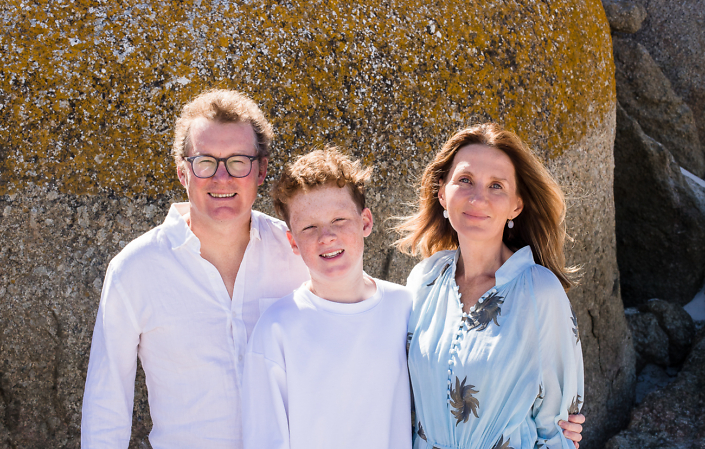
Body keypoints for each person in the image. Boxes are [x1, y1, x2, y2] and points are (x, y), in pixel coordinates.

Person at [81, 89, 309, 448]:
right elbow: (106, 406)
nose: (222, 177)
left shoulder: (300, 253)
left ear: (261, 170)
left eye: (238, 161)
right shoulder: (135, 270)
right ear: (182, 172)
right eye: (205, 162)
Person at [396, 123, 585, 449]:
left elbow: (557, 428)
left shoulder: (540, 292)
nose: (478, 198)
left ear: (516, 205)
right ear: (442, 193)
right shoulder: (424, 280)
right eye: (465, 180)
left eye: (496, 186)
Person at [241, 147, 413, 449]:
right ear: (293, 242)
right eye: (309, 227)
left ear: (365, 222)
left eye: (339, 220)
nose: (327, 236)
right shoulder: (277, 328)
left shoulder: (406, 308)